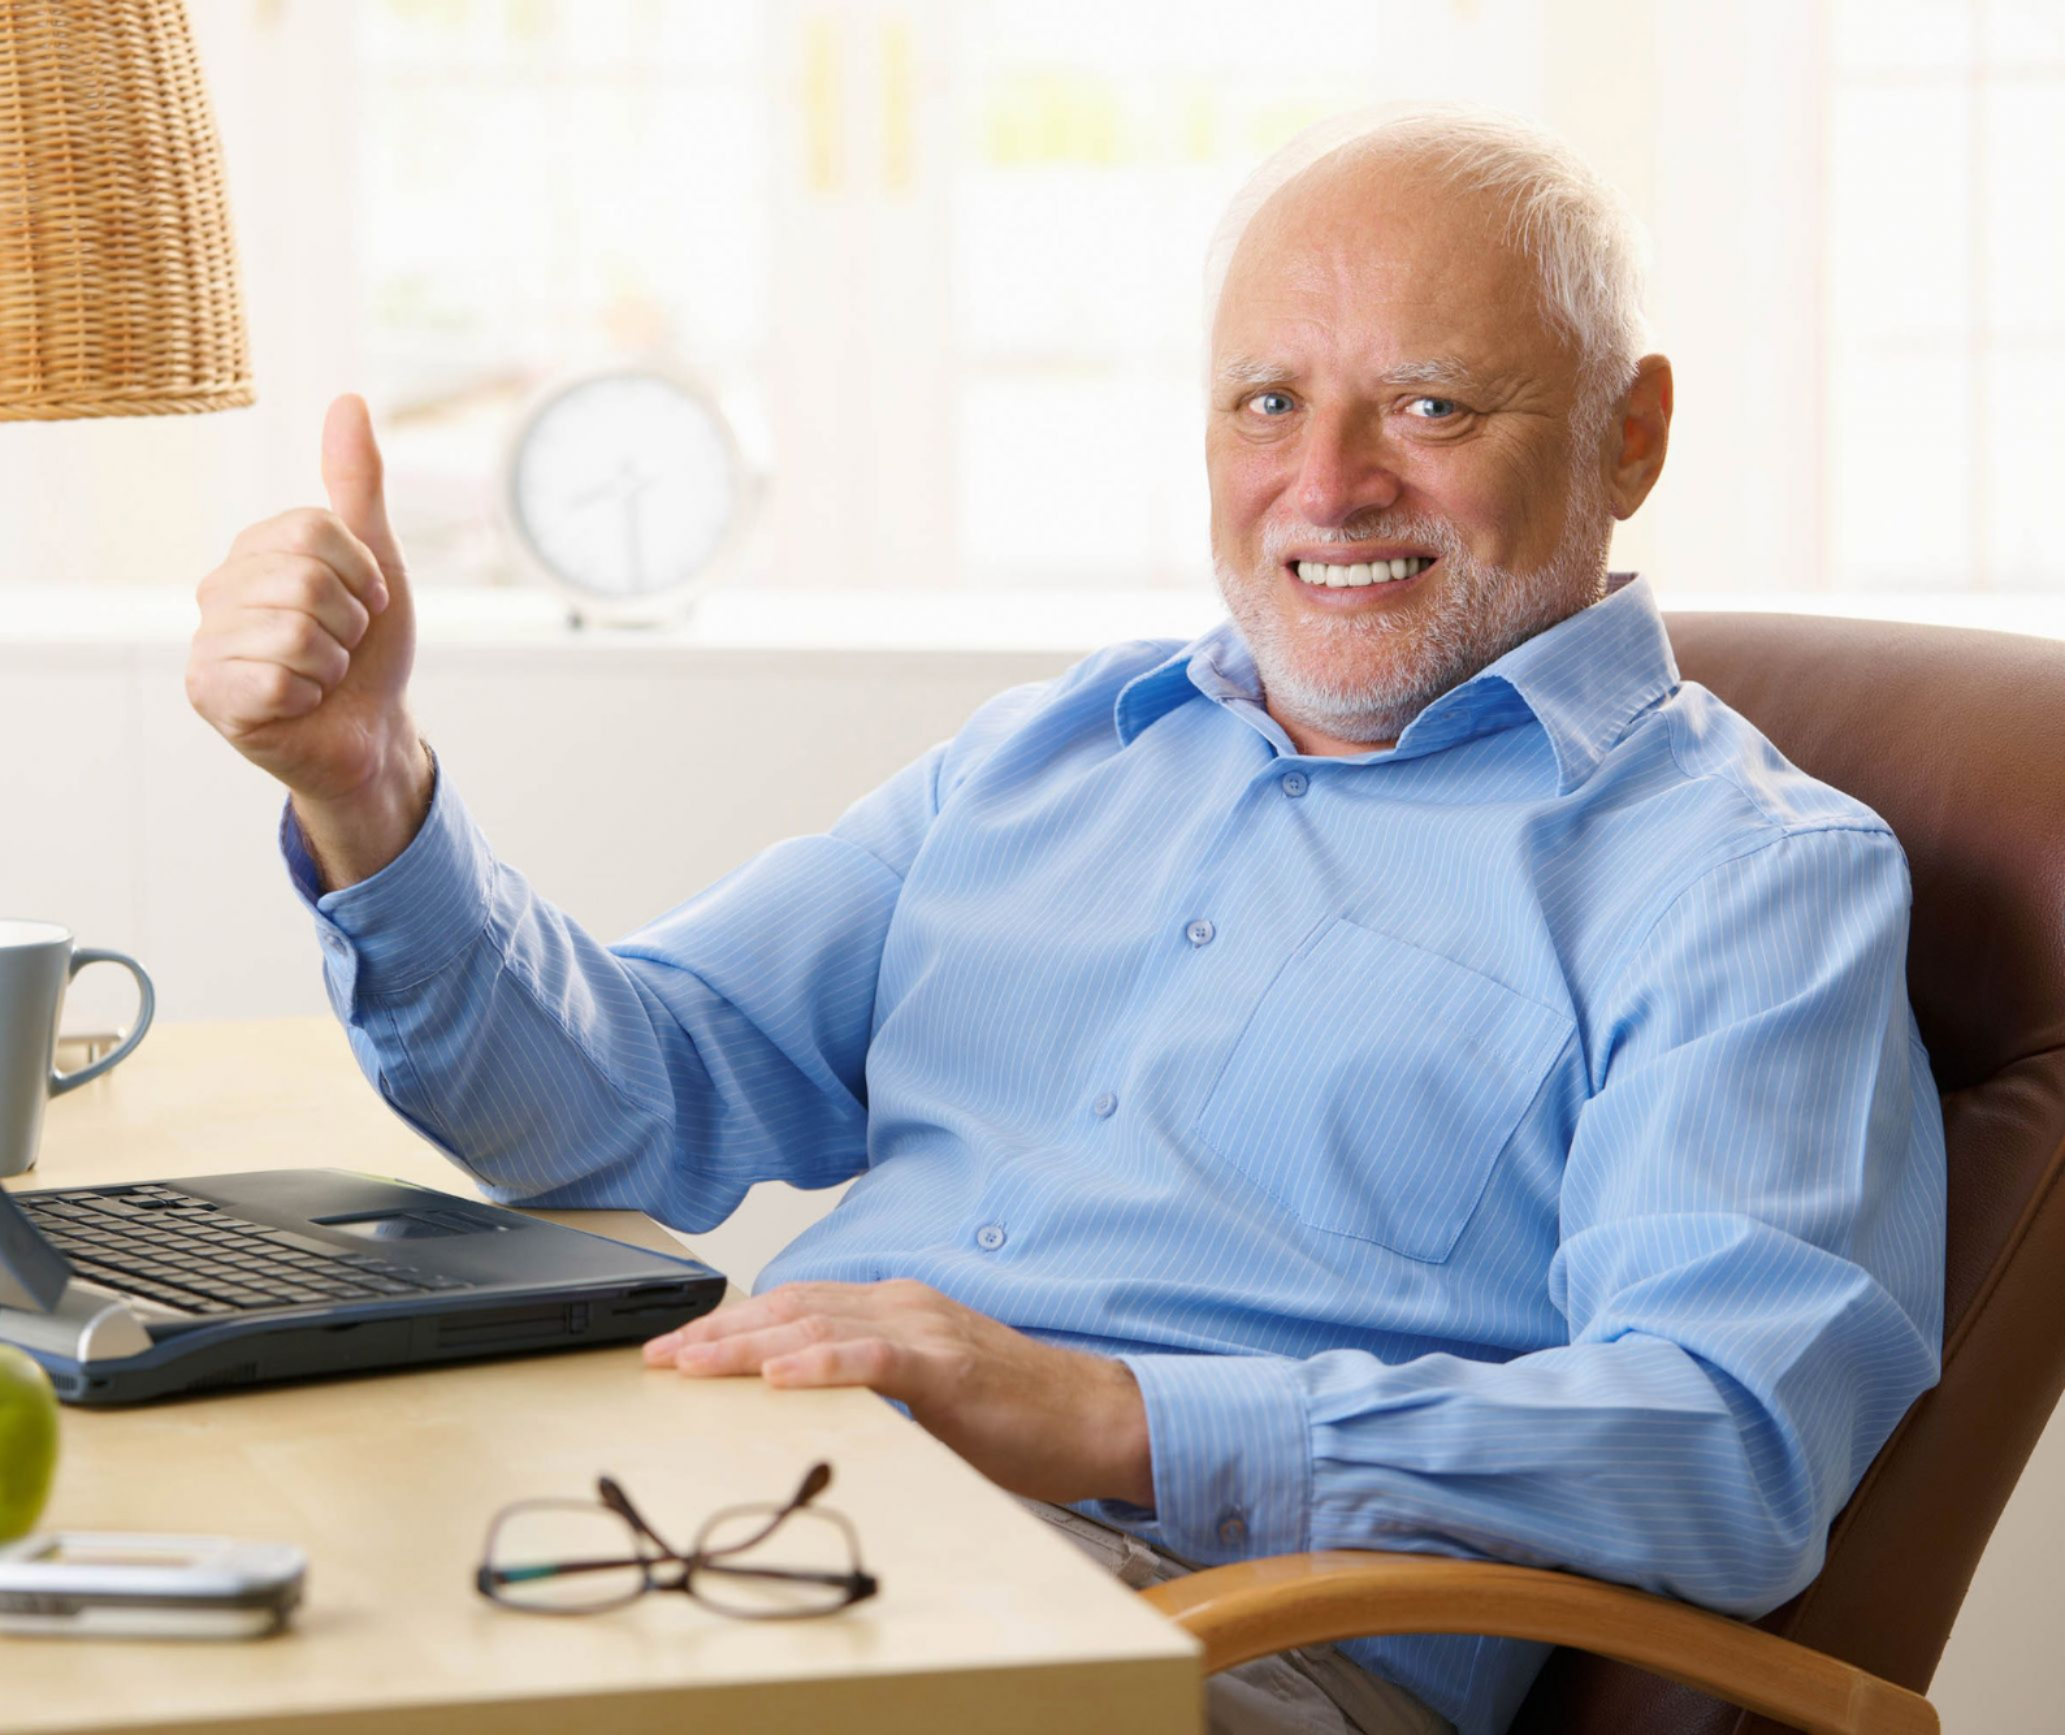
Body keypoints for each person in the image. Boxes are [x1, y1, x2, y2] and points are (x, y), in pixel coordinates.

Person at [183, 106, 1945, 1735]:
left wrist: (1110, 1412)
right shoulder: (1047, 754)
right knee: (200, 1601)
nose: (1324, 487)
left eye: (1428, 405)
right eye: (1268, 402)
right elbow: (617, 1103)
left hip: (1209, 1631)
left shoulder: (1747, 879)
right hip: (746, 1517)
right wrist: (369, 786)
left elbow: (1732, 1441)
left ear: (1630, 431)